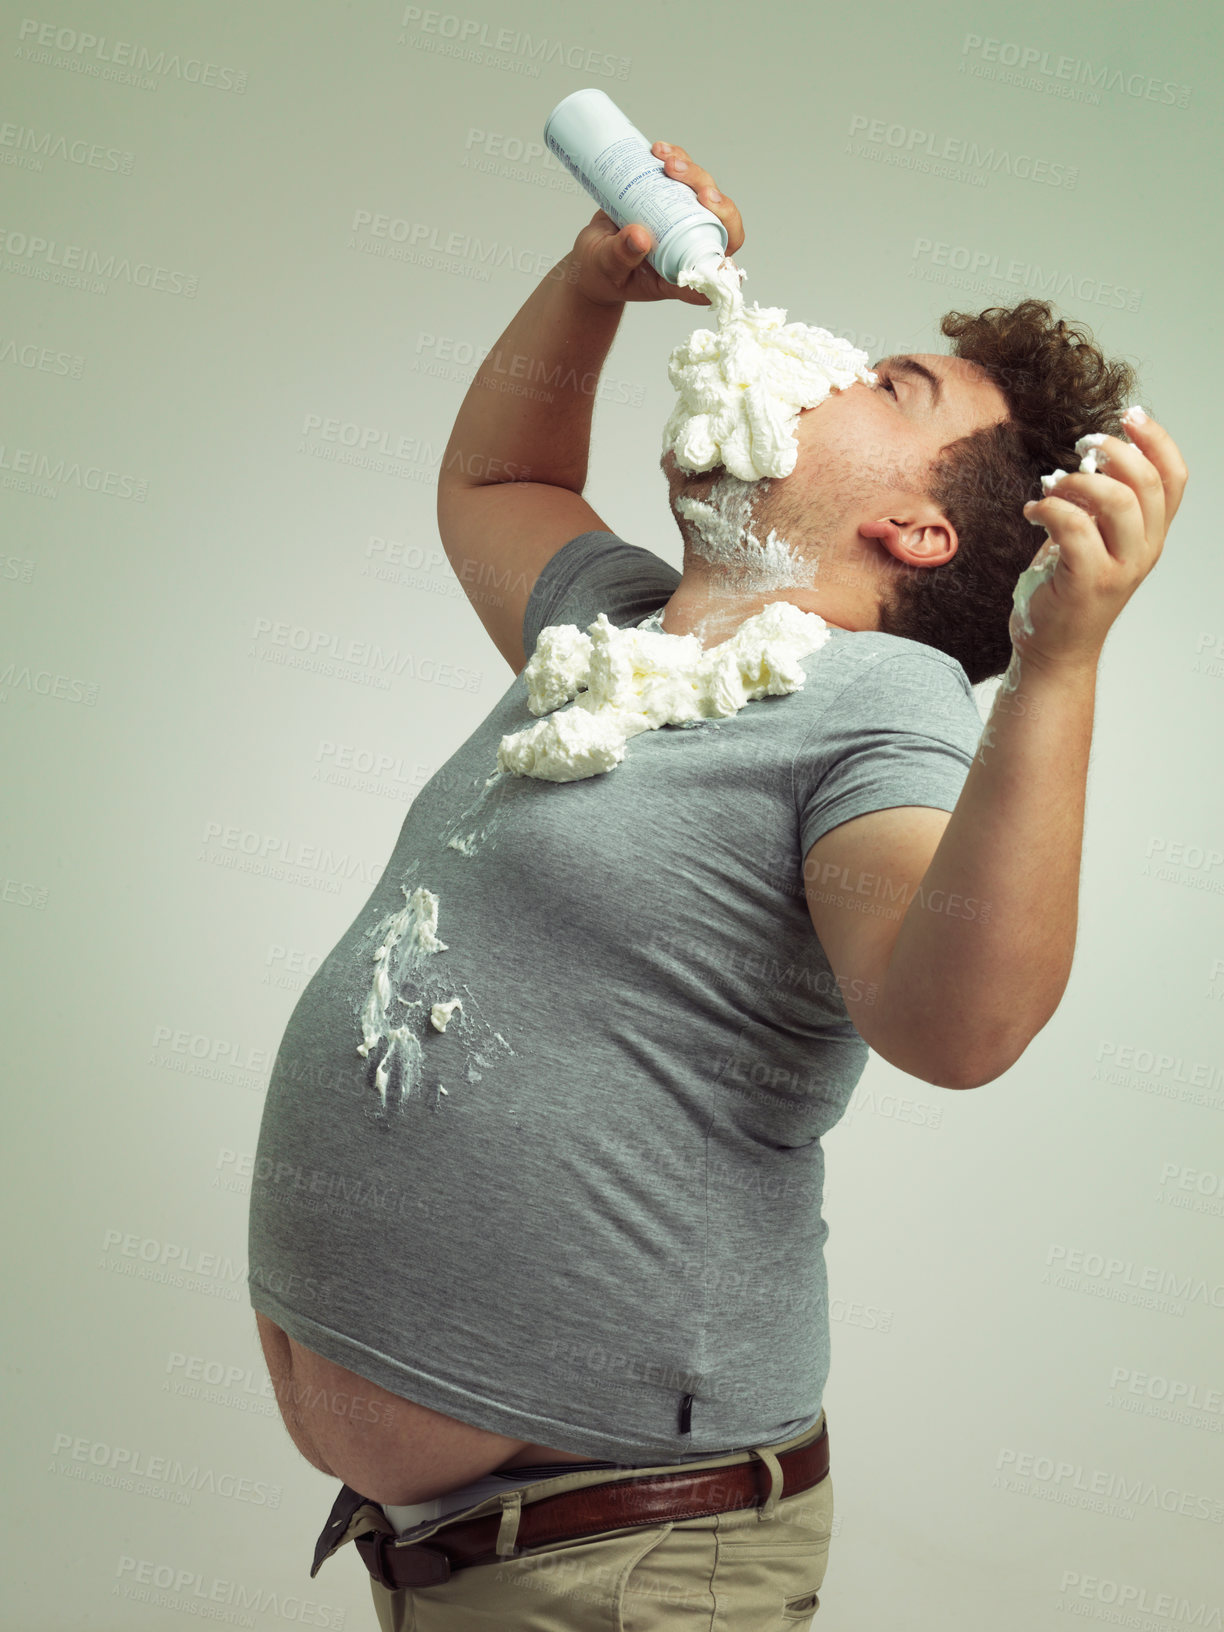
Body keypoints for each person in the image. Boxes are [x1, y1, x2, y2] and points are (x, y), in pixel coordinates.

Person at [247, 139, 1187, 1629]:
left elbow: (964, 1023)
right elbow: (501, 475)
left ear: (919, 532)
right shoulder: (616, 628)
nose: (813, 360)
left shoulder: (871, 701)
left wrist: (1059, 663)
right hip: (463, 1551)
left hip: (621, 1566)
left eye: (886, 384)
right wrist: (589, 289)